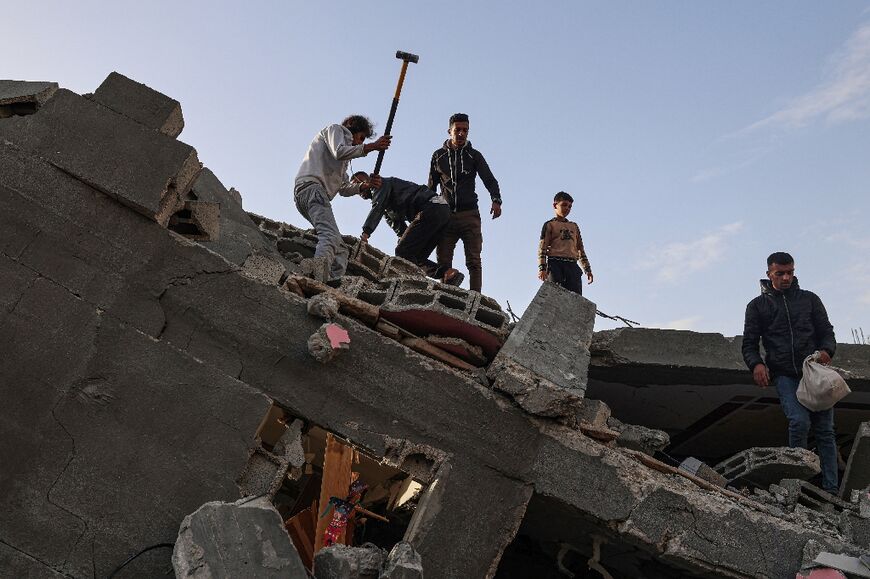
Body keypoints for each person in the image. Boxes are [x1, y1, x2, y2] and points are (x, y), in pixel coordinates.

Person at [742, 252, 839, 493]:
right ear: (769, 274)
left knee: (825, 431)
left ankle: (830, 490)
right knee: (799, 422)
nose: (786, 277)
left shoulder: (810, 300)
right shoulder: (757, 306)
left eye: (790, 272)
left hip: (815, 372)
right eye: (780, 273)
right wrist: (756, 364)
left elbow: (827, 331)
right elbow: (749, 343)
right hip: (784, 375)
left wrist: (827, 350)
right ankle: (800, 486)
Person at [294, 115, 390, 281]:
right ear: (351, 129)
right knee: (330, 236)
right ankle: (314, 276)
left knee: (340, 249)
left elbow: (344, 189)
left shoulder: (343, 163)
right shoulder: (335, 130)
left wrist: (364, 186)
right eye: (360, 138)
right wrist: (372, 147)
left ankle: (331, 281)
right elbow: (339, 152)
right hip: (312, 190)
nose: (360, 143)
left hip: (311, 196)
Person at [428, 113, 502, 292]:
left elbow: (489, 179)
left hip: (470, 215)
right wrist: (428, 210)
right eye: (457, 130)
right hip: (446, 216)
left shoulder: (474, 155)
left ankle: (475, 298)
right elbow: (431, 187)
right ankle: (445, 298)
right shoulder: (438, 156)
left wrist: (496, 200)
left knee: (474, 261)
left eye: (465, 130)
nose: (461, 134)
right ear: (449, 131)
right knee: (444, 262)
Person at [351, 172, 464, 286]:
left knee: (402, 252)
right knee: (415, 257)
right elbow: (399, 227)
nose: (358, 189)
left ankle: (415, 282)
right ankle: (448, 273)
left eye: (358, 183)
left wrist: (366, 233)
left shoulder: (381, 184)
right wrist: (402, 238)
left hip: (432, 208)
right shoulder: (387, 209)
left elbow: (377, 208)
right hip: (440, 213)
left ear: (367, 181)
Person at [537, 191, 593, 294]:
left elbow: (580, 249)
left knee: (575, 297)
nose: (567, 208)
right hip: (555, 264)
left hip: (572, 265)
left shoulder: (574, 226)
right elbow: (542, 248)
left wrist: (587, 269)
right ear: (555, 205)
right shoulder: (550, 225)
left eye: (570, 206)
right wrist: (542, 268)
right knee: (555, 295)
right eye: (564, 205)